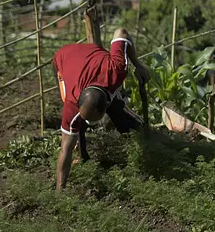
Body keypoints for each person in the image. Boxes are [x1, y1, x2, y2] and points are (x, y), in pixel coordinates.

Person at [54, 27, 148, 190]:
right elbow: (64, 150)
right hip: (64, 58)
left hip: (95, 59)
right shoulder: (71, 103)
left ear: (106, 104)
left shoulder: (116, 70)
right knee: (73, 132)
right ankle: (82, 156)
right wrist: (58, 193)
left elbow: (121, 32)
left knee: (120, 113)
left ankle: (145, 140)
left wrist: (138, 65)